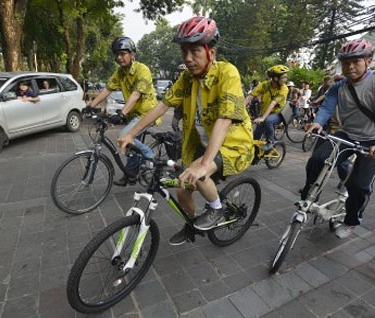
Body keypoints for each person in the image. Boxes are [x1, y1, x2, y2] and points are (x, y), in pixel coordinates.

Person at [117, 16, 254, 245]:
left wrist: (203, 164)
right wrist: (131, 133)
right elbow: (162, 106)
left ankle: (217, 208)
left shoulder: (227, 73)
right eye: (184, 52)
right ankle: (191, 226)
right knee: (182, 188)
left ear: (211, 50)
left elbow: (224, 119)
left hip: (233, 143)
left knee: (200, 174)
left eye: (195, 51)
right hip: (202, 143)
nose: (188, 59)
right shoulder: (187, 78)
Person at [302, 39, 375, 239]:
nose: (350, 67)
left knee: (359, 187)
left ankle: (351, 220)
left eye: (356, 61)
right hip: (346, 134)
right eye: (345, 63)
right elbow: (327, 107)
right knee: (317, 159)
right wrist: (318, 122)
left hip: (373, 140)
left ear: (368, 62)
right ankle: (308, 197)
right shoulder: (338, 86)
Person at [84, 36, 158, 186]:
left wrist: (122, 113)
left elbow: (136, 94)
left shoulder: (142, 70)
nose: (119, 58)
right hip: (133, 115)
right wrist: (91, 105)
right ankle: (130, 175)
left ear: (132, 54)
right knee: (130, 146)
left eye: (123, 53)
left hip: (147, 114)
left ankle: (150, 155)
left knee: (123, 135)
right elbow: (107, 89)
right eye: (117, 54)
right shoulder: (119, 73)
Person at [245, 65, 289, 149]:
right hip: (264, 113)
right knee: (255, 138)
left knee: (268, 121)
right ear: (275, 78)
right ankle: (255, 158)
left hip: (278, 114)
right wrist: (240, 109)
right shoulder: (265, 85)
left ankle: (270, 141)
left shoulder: (284, 89)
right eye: (284, 77)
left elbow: (273, 103)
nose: (285, 79)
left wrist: (262, 118)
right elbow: (251, 95)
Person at [171, 64, 188, 132]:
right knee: (174, 124)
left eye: (183, 71)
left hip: (188, 108)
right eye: (180, 71)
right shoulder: (176, 82)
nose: (181, 73)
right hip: (179, 108)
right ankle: (178, 138)